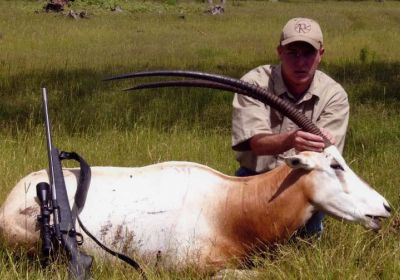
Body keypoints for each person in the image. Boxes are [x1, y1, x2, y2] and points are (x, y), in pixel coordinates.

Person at [231, 17, 349, 237]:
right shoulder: (255, 83)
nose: (300, 62)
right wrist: (291, 139)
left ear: (320, 55)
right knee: (238, 246)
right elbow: (256, 142)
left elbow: (326, 159)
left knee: (301, 248)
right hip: (253, 179)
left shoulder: (334, 95)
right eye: (292, 52)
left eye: (308, 53)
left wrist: (320, 146)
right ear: (279, 52)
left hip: (301, 185)